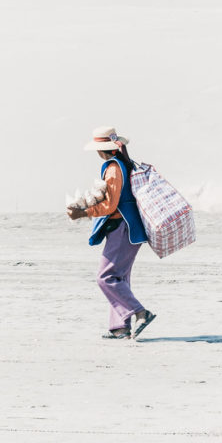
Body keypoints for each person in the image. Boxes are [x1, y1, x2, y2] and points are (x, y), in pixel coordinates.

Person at [66, 127, 156, 339]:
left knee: (105, 277)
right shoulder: (123, 164)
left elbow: (110, 205)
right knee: (120, 277)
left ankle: (141, 312)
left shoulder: (113, 169)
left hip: (122, 228)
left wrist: (83, 212)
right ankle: (120, 327)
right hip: (130, 228)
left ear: (100, 150)